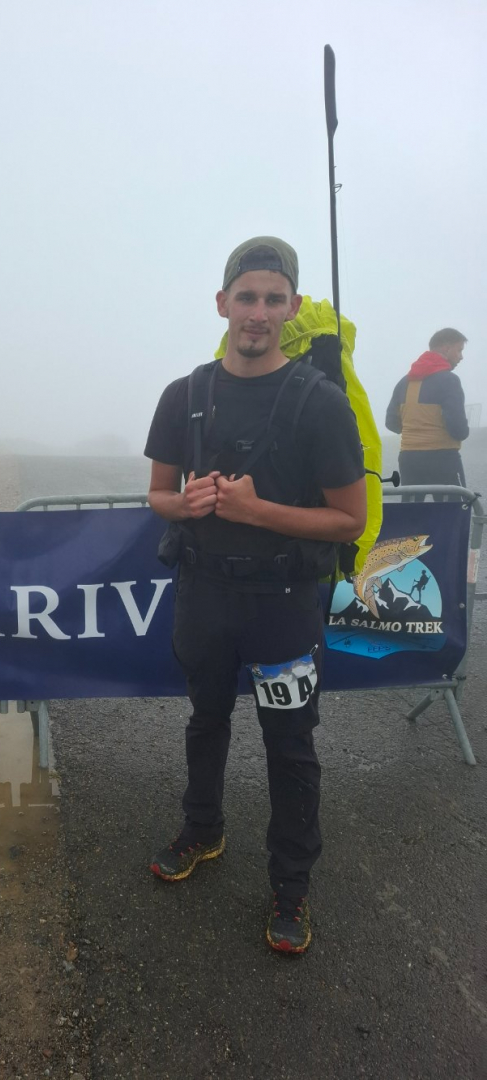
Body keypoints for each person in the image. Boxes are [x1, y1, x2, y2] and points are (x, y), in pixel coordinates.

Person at [144, 237, 367, 953]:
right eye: (247, 297)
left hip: (284, 603)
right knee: (205, 720)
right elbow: (158, 495)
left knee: (289, 744)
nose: (259, 313)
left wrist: (256, 510)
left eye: (274, 299)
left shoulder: (321, 404)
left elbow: (350, 519)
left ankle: (291, 886)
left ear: (292, 308)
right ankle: (202, 830)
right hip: (205, 594)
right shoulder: (184, 395)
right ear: (222, 304)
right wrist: (187, 503)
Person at [385, 329, 469, 500]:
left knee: (412, 512)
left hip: (409, 459)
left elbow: (391, 422)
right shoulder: (449, 380)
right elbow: (458, 430)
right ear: (446, 348)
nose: (461, 357)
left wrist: (416, 432)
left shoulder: (404, 382)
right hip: (443, 458)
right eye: (459, 350)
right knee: (452, 511)